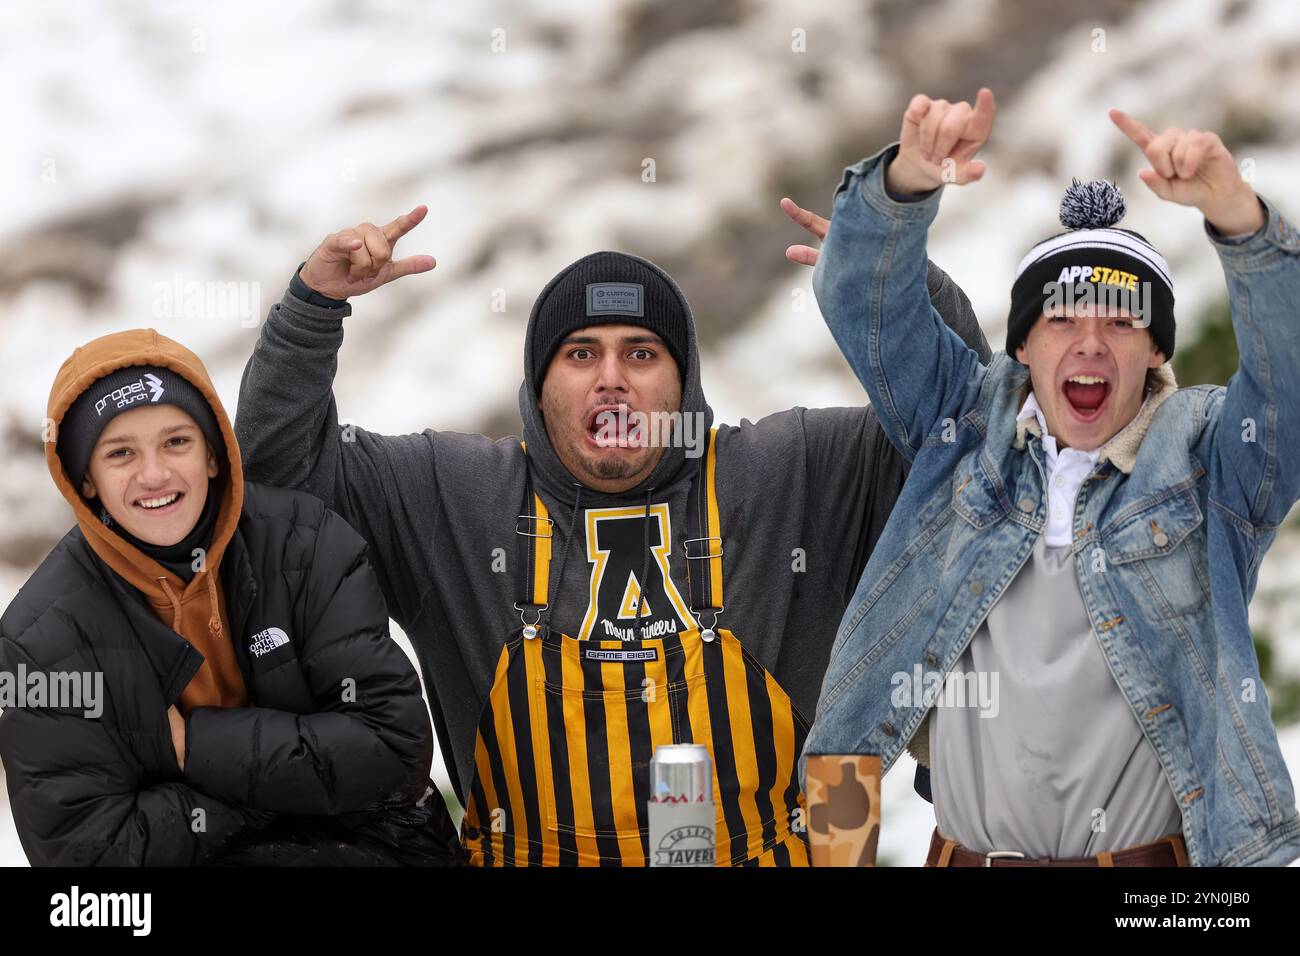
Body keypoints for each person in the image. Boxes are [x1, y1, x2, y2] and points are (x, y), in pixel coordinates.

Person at [234, 209, 991, 865]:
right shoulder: (449, 495)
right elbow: (281, 483)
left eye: (641, 352)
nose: (612, 379)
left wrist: (899, 285)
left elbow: (960, 431)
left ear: (683, 378)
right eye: (580, 354)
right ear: (539, 386)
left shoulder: (792, 474)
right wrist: (312, 310)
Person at [803, 87, 1300, 866]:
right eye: (1063, 317)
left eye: (1122, 319)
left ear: (1158, 349)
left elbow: (1290, 384)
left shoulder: (1210, 462)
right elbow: (861, 301)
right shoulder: (963, 429)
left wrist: (1241, 222)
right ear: (1024, 347)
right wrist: (905, 185)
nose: (1092, 344)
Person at [0, 329, 459, 865]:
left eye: (177, 442)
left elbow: (392, 750)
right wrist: (286, 787)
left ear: (214, 456)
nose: (155, 474)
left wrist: (194, 747)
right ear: (86, 481)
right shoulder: (40, 642)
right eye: (120, 452)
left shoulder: (306, 541)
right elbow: (91, 856)